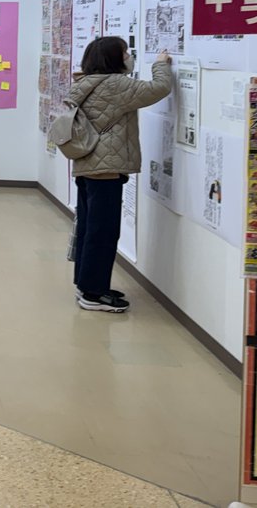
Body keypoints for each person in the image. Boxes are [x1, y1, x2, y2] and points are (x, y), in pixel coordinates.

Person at [70, 37, 172, 312]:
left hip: (87, 164)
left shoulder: (85, 81)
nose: (129, 56)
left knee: (89, 228)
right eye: (125, 52)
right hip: (106, 169)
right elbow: (159, 88)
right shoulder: (115, 84)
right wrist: (161, 65)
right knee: (103, 232)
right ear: (113, 58)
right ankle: (94, 293)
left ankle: (86, 284)